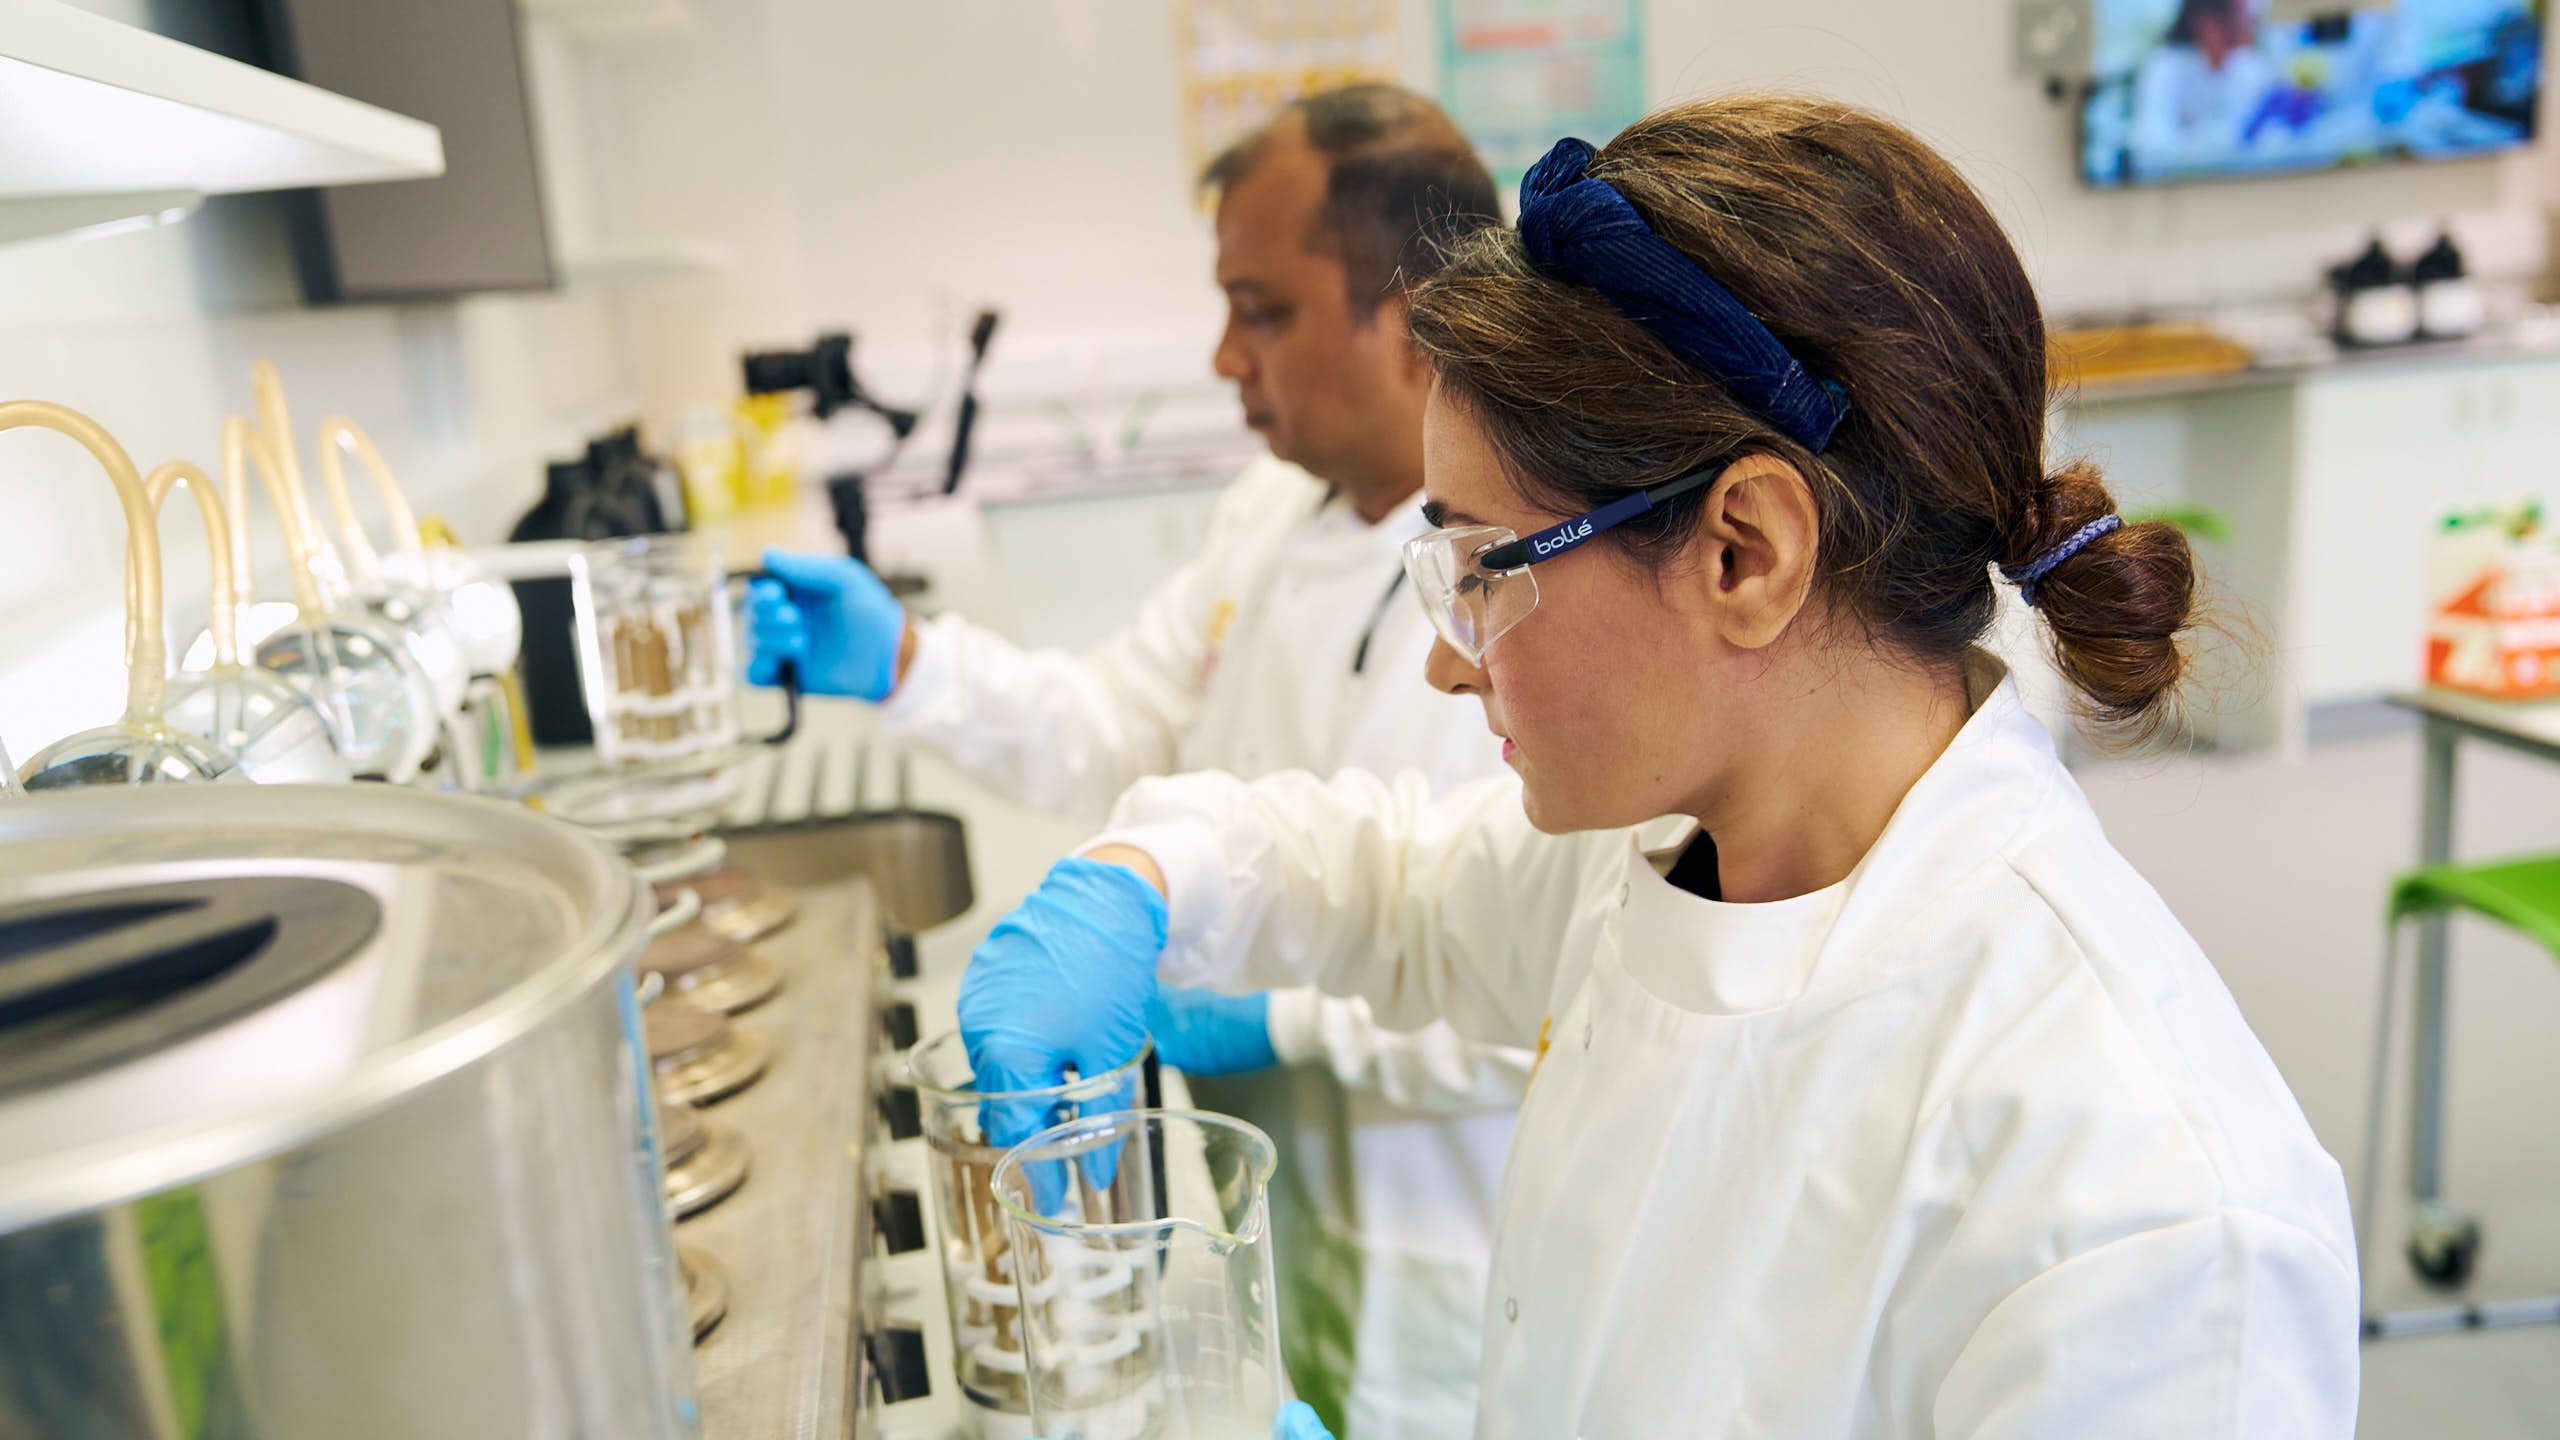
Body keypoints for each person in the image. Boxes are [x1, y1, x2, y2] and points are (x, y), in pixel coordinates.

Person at [956, 95, 2361, 1436]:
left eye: (1483, 568)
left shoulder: (2145, 1202)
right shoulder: (1690, 866)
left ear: (1747, 552)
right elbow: (1391, 880)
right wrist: (1148, 877)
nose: (1450, 659)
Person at [748, 86, 1513, 1439]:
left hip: (1444, 1266)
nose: (1225, 357)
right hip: (1270, 1226)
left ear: (1411, 317)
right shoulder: (1272, 516)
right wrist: (909, 665)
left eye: (1261, 309)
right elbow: (1116, 719)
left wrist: (1268, 1014)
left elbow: (1548, 975)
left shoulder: (1539, 584)